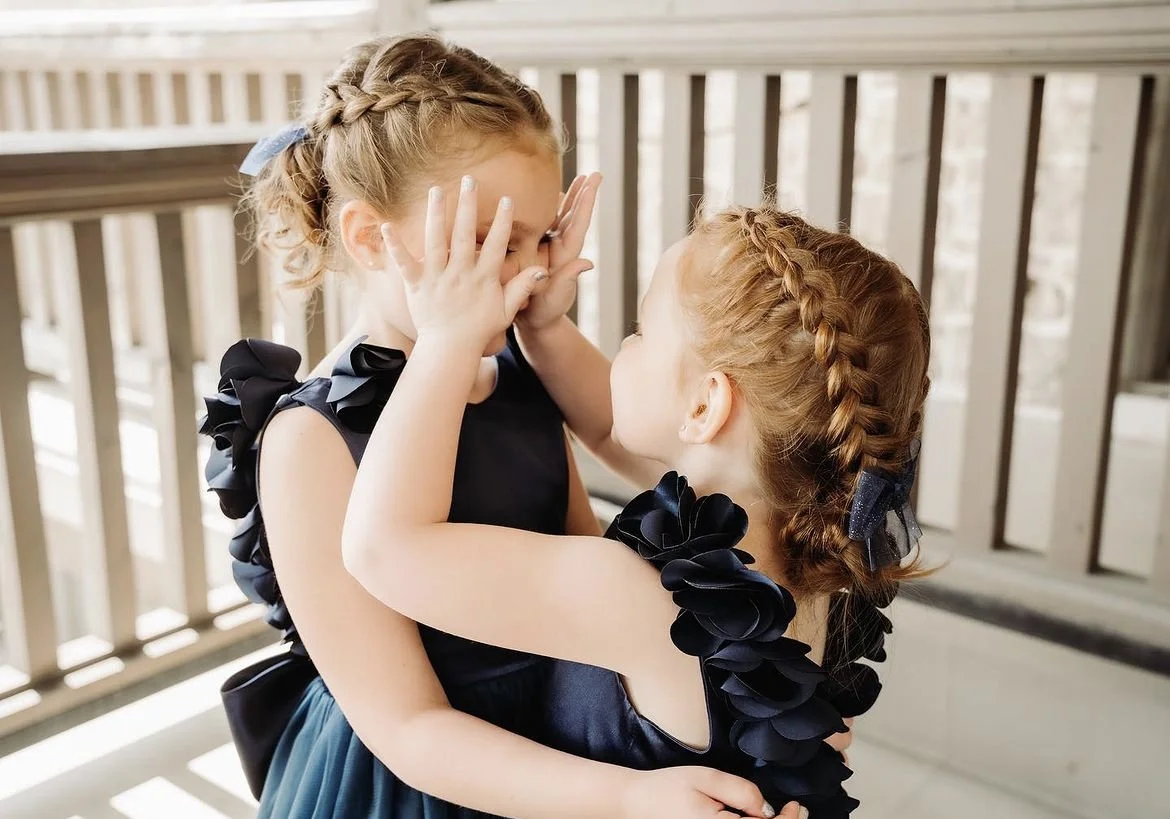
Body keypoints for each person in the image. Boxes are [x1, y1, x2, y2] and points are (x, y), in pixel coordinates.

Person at [201, 33, 790, 818]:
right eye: (491, 242)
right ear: (372, 237)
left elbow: (590, 543)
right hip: (420, 780)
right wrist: (623, 795)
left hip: (562, 736)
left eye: (540, 238)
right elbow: (407, 725)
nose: (530, 272)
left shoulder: (515, 372)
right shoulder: (310, 441)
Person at [342, 180, 931, 817]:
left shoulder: (640, 597)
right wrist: (546, 328)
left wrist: (446, 340)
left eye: (641, 330)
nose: (623, 347)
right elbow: (612, 425)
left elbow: (383, 549)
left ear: (705, 405)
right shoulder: (828, 562)